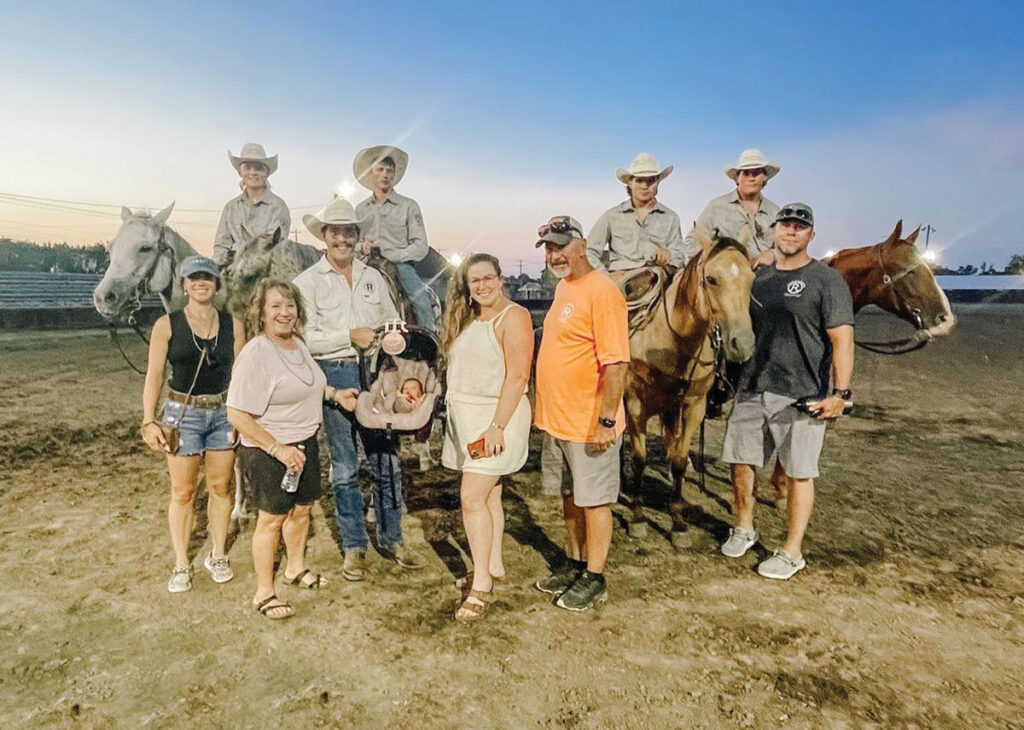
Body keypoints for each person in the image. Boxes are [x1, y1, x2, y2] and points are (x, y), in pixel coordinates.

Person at [293, 197, 427, 582]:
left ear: (356, 236)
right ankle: (354, 546)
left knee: (386, 460)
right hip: (335, 374)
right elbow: (305, 338)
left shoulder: (373, 278)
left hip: (376, 375)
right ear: (325, 236)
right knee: (345, 465)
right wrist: (346, 335)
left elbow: (391, 321)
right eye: (335, 232)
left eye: (349, 232)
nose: (342, 239)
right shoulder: (307, 284)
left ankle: (392, 537)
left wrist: (395, 339)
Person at [719, 203, 855, 580]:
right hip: (751, 386)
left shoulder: (826, 280)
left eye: (799, 227)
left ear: (811, 235)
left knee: (798, 473)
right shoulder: (757, 278)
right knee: (741, 462)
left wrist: (841, 394)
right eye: (785, 226)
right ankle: (744, 527)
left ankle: (793, 550)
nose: (791, 232)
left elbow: (842, 339)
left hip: (800, 391)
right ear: (774, 231)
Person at [226, 279, 359, 620]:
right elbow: (236, 413)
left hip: (304, 445)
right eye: (275, 306)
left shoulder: (298, 345)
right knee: (271, 520)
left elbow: (309, 384)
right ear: (261, 312)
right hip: (268, 449)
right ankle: (264, 592)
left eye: (290, 306)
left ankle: (295, 569)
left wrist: (334, 395)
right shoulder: (256, 352)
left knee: (301, 511)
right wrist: (277, 448)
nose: (284, 313)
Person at [533, 216, 630, 611]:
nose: (555, 255)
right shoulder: (564, 287)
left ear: (582, 243)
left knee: (595, 501)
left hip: (589, 422)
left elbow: (616, 364)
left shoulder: (603, 292)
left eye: (561, 245)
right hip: (559, 421)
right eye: (549, 248)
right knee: (570, 498)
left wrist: (606, 419)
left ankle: (596, 575)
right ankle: (574, 562)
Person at [140, 255, 245, 593]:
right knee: (183, 492)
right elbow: (154, 375)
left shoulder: (234, 324)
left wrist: (245, 415)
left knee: (220, 488)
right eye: (194, 277)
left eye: (208, 277)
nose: (202, 282)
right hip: (181, 415)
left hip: (222, 413)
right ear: (184, 285)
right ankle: (182, 563)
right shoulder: (167, 324)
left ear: (216, 285)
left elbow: (243, 375)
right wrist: (148, 420)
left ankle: (217, 554)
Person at [440, 253, 533, 621]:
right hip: (465, 416)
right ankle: (492, 564)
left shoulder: (515, 317)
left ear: (500, 278)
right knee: (491, 493)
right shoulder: (467, 319)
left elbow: (517, 377)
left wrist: (497, 426)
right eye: (474, 281)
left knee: (471, 498)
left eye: (488, 278)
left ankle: (480, 584)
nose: (482, 286)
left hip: (497, 417)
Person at [353, 145, 435, 331]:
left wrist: (395, 255)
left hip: (400, 265)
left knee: (419, 299)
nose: (385, 175)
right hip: (365, 262)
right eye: (380, 170)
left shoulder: (408, 206)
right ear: (370, 174)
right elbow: (352, 242)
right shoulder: (360, 209)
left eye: (389, 171)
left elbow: (421, 245)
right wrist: (361, 247)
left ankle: (429, 336)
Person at [586, 153, 693, 277]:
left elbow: (680, 253)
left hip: (659, 277)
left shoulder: (671, 217)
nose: (645, 186)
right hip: (622, 277)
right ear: (630, 183)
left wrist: (669, 254)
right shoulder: (612, 216)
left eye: (651, 181)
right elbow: (589, 251)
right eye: (639, 180)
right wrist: (606, 278)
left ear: (658, 183)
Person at [684, 149, 781, 267]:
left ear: (765, 177)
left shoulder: (775, 212)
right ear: (737, 178)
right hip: (728, 277)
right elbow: (692, 241)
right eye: (746, 173)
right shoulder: (717, 207)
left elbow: (785, 246)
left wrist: (773, 254)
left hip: (767, 275)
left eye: (756, 173)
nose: (751, 178)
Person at [213, 142, 291, 268]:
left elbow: (274, 245)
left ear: (267, 172)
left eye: (258, 168)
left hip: (267, 269)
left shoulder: (278, 206)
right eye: (247, 167)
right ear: (240, 172)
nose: (253, 172)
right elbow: (221, 246)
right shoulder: (231, 207)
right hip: (233, 269)